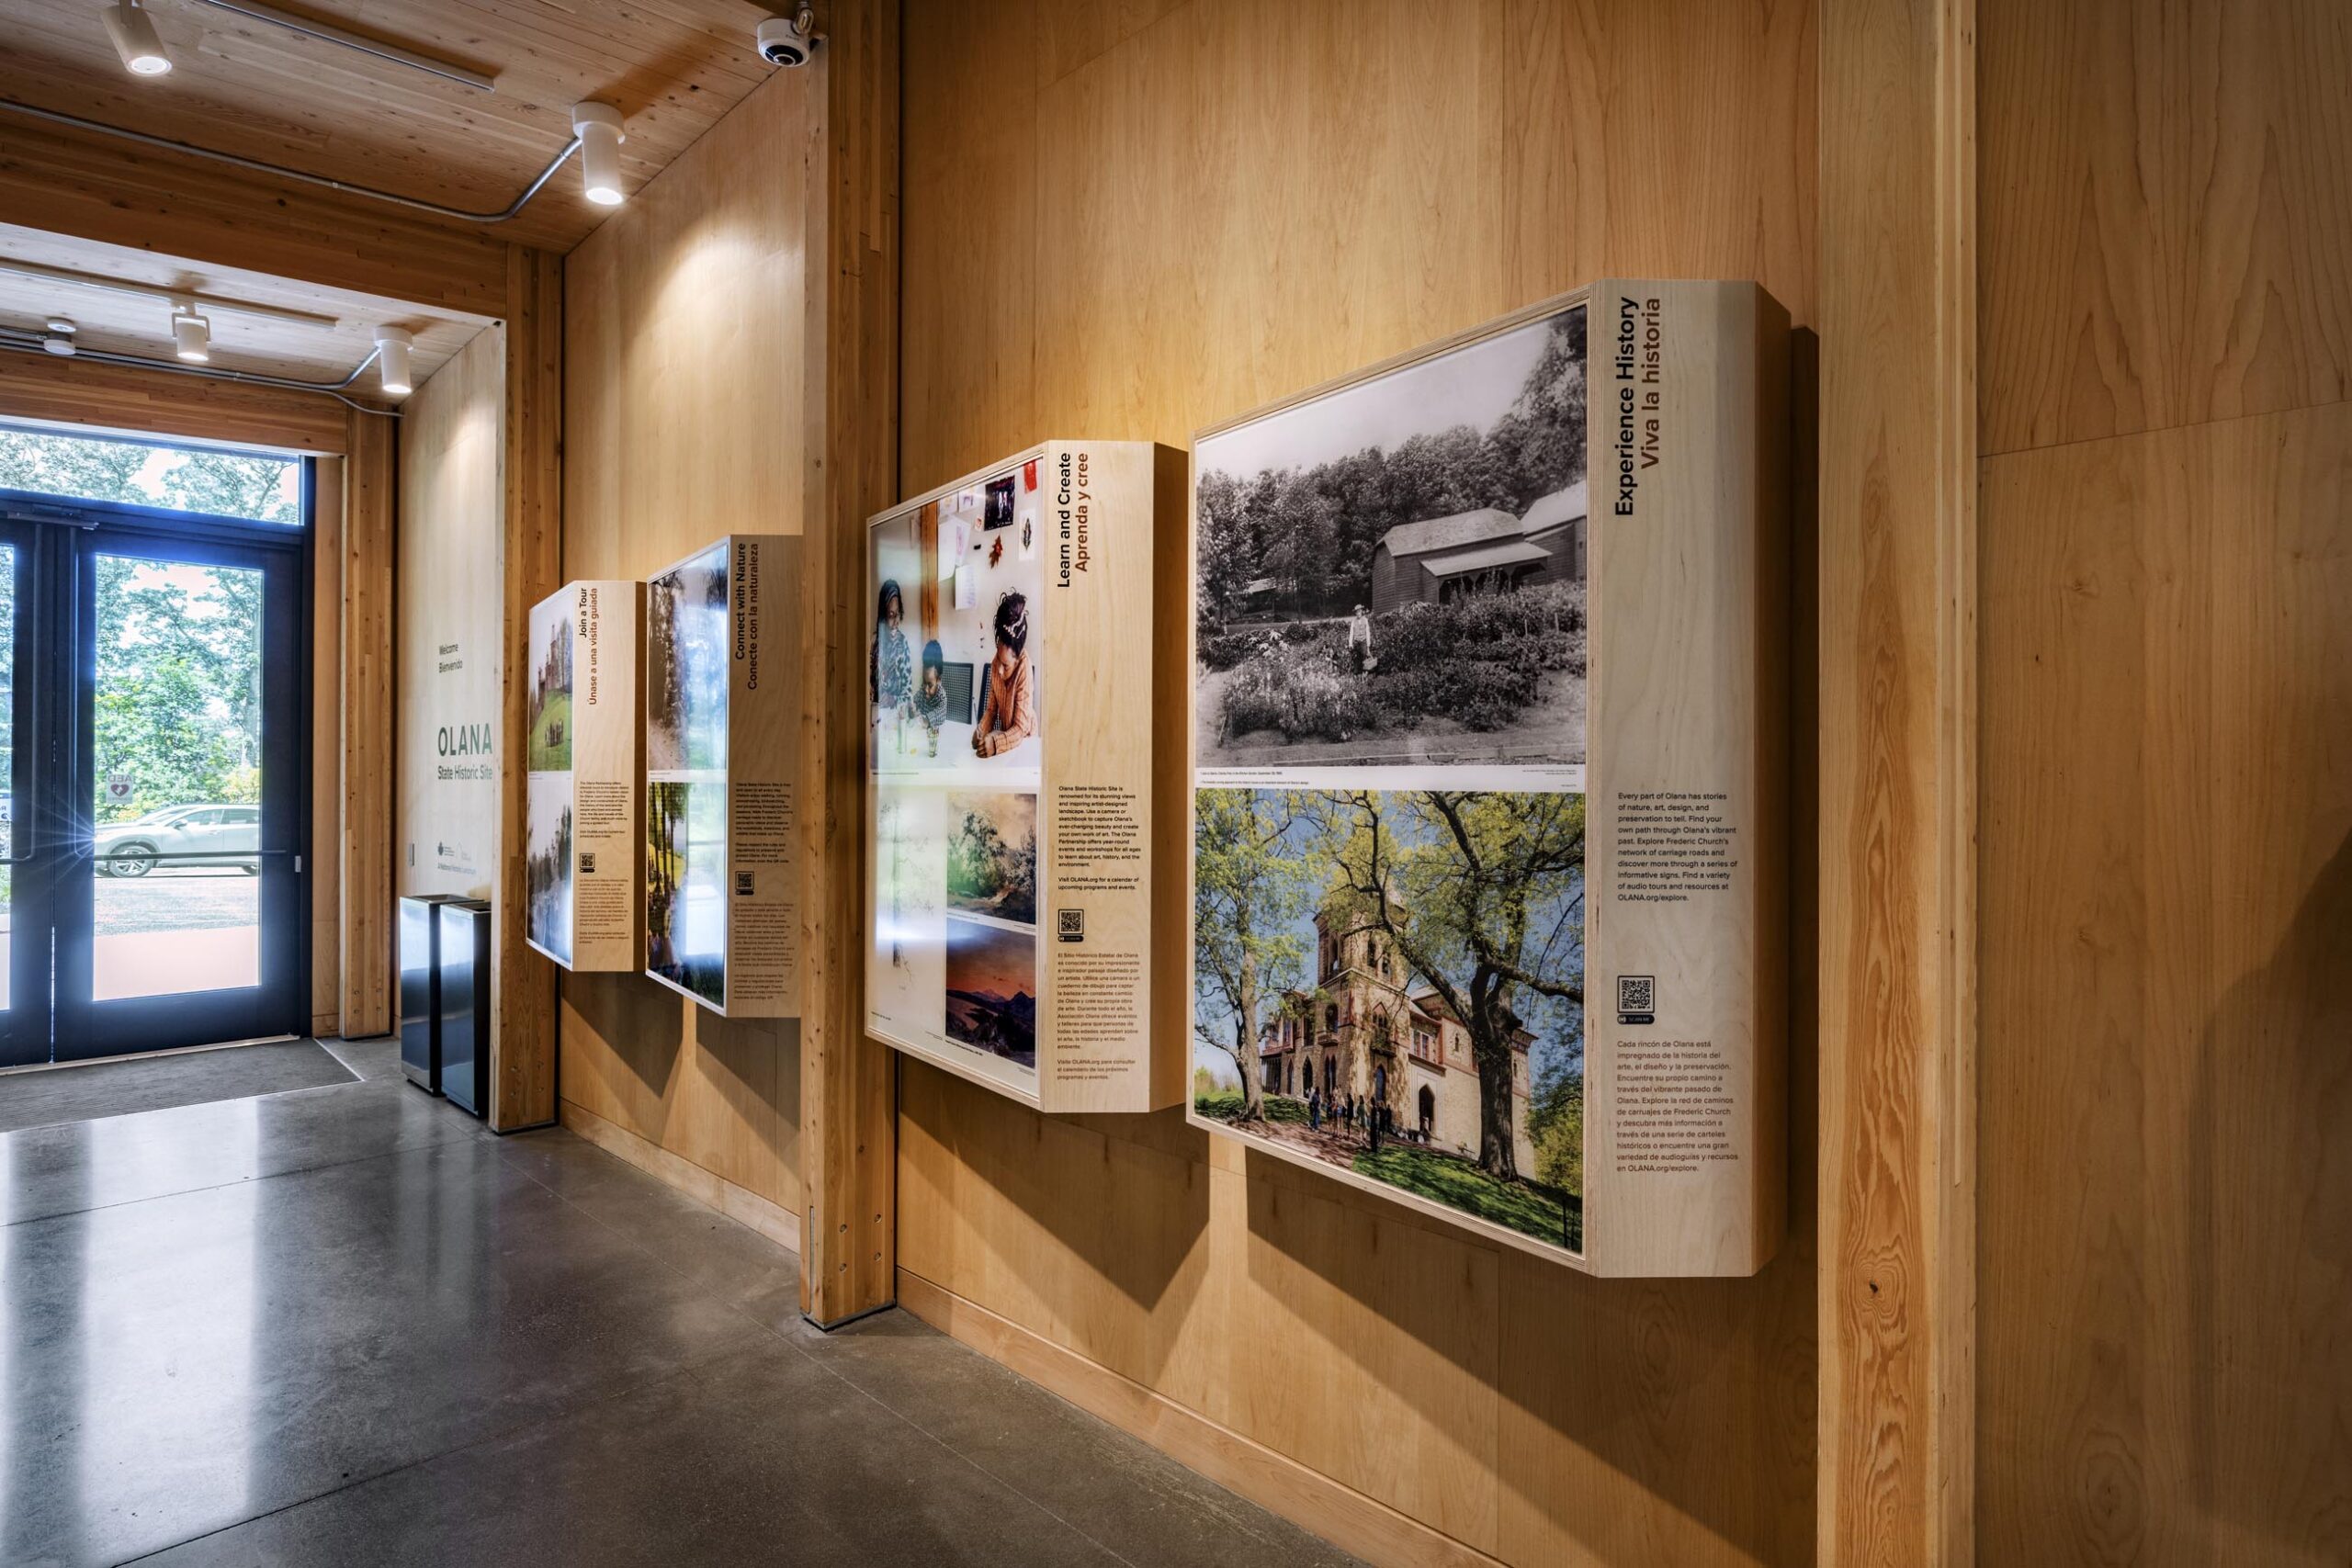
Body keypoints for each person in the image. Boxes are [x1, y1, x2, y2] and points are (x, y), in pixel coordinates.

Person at [971, 592, 1035, 757]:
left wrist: (996, 743)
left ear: (1017, 657)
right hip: (1007, 738)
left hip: (1025, 743)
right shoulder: (995, 664)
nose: (998, 670)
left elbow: (1020, 728)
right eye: (998, 658)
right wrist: (981, 730)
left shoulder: (1024, 668)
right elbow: (991, 710)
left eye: (1005, 665)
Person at [872, 580, 910, 711]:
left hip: (894, 718)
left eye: (898, 614)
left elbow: (908, 694)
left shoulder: (902, 644)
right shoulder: (873, 642)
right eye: (891, 615)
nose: (896, 622)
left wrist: (893, 699)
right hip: (873, 714)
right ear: (883, 616)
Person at [912, 639, 948, 757]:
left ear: (939, 680)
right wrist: (910, 707)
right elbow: (913, 702)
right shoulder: (923, 692)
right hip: (920, 747)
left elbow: (941, 713)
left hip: (937, 749)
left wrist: (925, 721)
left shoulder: (941, 696)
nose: (926, 689)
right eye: (924, 683)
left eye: (930, 685)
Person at [1346, 604, 1374, 674]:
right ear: (1355, 613)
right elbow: (1351, 633)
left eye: (1359, 611)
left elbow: (1368, 632)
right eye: (1356, 612)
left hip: (1363, 641)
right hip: (1356, 642)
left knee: (1364, 655)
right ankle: (1357, 673)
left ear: (1361, 612)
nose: (1358, 613)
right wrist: (1350, 643)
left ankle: (1364, 673)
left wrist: (1368, 645)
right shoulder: (1353, 622)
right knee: (1356, 657)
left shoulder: (1365, 620)